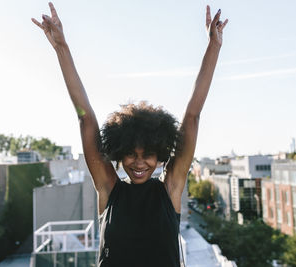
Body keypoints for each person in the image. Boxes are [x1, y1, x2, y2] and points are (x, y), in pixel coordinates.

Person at [32, 3, 228, 267]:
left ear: (159, 155)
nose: (138, 162)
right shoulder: (109, 188)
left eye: (147, 154)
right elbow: (85, 118)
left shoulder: (171, 188)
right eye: (131, 154)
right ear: (119, 152)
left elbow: (192, 117)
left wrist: (213, 46)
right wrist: (61, 48)